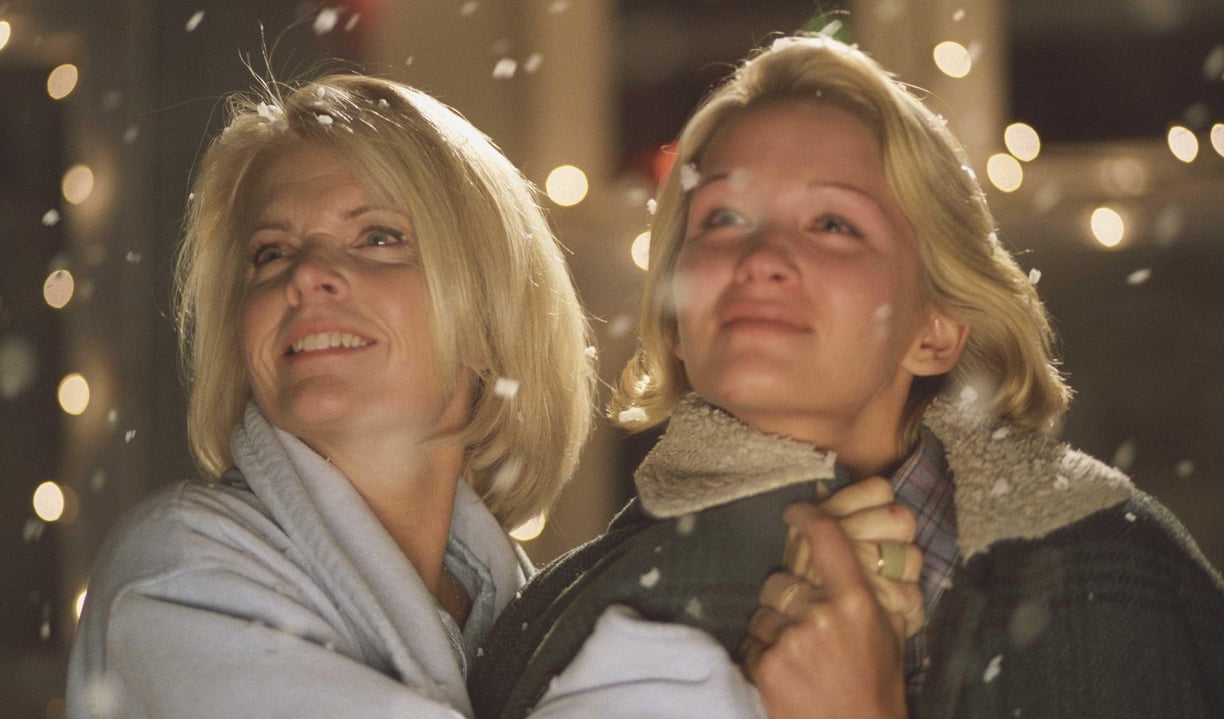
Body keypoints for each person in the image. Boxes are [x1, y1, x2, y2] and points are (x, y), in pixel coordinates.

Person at [469, 33, 1224, 719]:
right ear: (676, 319)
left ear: (935, 328)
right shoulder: (567, 617)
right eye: (723, 218)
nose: (760, 257)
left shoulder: (1116, 576)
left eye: (833, 223)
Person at [66, 73, 596, 717]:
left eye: (378, 237)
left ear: (489, 319)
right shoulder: (178, 573)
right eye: (271, 252)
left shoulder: (532, 614)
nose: (306, 273)